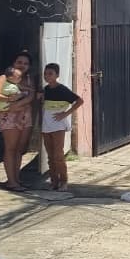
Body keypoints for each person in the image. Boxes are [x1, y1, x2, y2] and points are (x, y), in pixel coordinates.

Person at [0, 51, 36, 192]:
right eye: (19, 62)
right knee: (11, 148)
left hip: (25, 116)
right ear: (13, 63)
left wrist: (18, 104)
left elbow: (31, 95)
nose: (22, 65)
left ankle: (17, 179)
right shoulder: (5, 77)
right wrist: (9, 100)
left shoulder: (28, 79)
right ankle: (11, 182)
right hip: (9, 116)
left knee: (20, 149)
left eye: (26, 63)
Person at [41, 63, 83, 191]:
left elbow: (79, 101)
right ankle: (54, 182)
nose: (47, 76)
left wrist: (65, 114)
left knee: (58, 155)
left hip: (58, 126)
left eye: (50, 74)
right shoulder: (45, 90)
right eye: (45, 74)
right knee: (50, 156)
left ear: (57, 75)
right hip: (46, 125)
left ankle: (64, 181)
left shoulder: (62, 90)